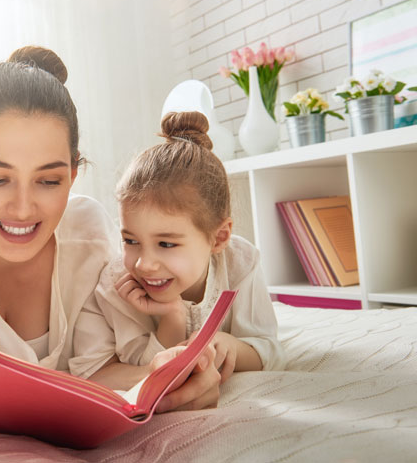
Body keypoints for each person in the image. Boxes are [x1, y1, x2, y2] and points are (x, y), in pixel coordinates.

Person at [0, 46, 222, 437]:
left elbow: (100, 367)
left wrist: (169, 382)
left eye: (49, 181)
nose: (23, 208)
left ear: (74, 173)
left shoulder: (89, 230)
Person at [70, 111, 285, 385]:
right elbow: (99, 373)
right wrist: (172, 317)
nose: (143, 264)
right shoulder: (114, 285)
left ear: (219, 237)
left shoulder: (240, 262)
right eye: (131, 240)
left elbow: (270, 348)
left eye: (166, 244)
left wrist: (231, 346)